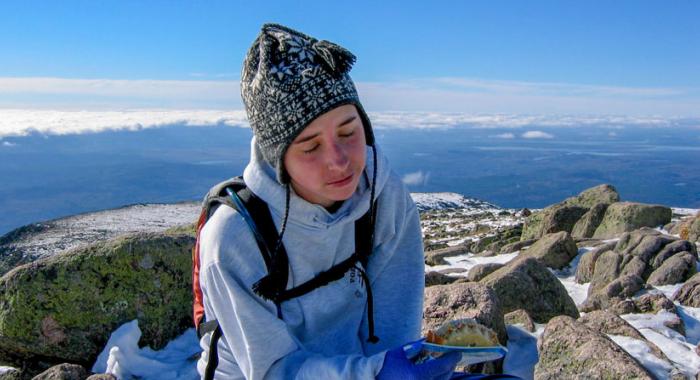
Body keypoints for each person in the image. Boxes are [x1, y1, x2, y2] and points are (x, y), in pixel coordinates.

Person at [195, 23, 461, 379]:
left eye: (349, 132)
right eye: (310, 146)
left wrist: (389, 370)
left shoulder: (383, 198)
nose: (339, 160)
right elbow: (274, 370)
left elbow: (393, 331)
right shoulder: (235, 239)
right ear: (278, 159)